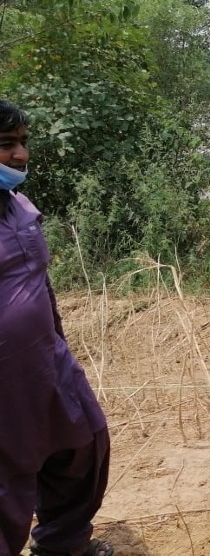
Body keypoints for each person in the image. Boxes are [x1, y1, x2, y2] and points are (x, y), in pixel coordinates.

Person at [0, 100, 114, 556]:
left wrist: (58, 341)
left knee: (83, 444)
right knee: (7, 484)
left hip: (47, 359)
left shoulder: (19, 205)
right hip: (6, 379)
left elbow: (38, 283)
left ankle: (63, 545)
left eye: (23, 143)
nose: (21, 155)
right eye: (7, 145)